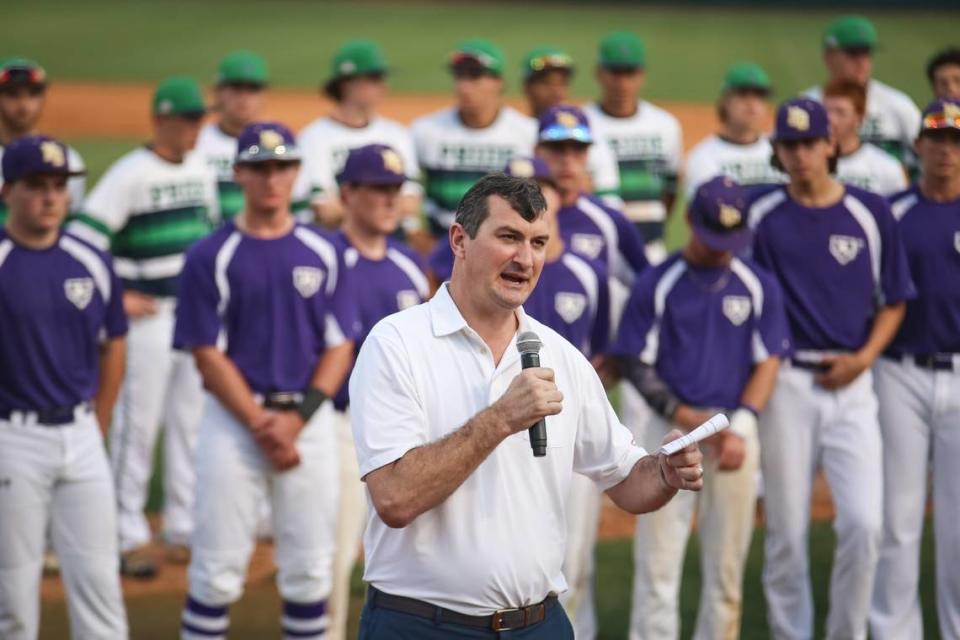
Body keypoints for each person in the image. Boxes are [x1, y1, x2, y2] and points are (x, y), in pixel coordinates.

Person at [350, 173, 704, 639]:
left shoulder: (561, 356)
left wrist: (663, 473)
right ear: (460, 239)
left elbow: (623, 479)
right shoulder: (397, 344)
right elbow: (395, 498)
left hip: (539, 625)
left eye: (538, 242)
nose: (525, 259)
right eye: (509, 237)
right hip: (421, 626)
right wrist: (500, 419)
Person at [174, 122, 356, 640]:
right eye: (259, 167)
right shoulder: (209, 255)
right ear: (238, 174)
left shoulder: (324, 251)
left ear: (296, 172)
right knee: (214, 574)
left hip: (307, 422)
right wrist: (262, 424)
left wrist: (295, 420)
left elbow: (340, 345)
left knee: (309, 573)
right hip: (235, 425)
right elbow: (206, 354)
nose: (271, 178)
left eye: (281, 167)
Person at [748, 97, 915, 640]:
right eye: (788, 145)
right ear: (777, 151)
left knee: (866, 524)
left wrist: (865, 358)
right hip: (788, 385)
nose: (799, 155)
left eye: (809, 143)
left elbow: (895, 298)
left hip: (854, 383)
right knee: (787, 534)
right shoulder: (761, 215)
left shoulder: (871, 212)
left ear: (831, 145)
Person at [613, 176, 789, 640]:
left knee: (726, 572)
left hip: (733, 431)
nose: (720, 249)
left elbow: (769, 359)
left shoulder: (757, 284)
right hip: (669, 430)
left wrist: (743, 425)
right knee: (657, 569)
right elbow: (635, 362)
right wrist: (693, 420)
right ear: (689, 219)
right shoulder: (658, 282)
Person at [68, 76, 218, 576]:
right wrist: (117, 294)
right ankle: (123, 532)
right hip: (148, 320)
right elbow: (83, 240)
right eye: (187, 118)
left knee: (189, 423)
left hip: (190, 319)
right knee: (137, 427)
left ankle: (182, 524)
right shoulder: (129, 174)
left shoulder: (200, 167)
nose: (195, 127)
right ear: (161, 120)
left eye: (200, 118)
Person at [0, 135, 128, 639]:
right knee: (11, 595)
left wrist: (99, 421)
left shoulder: (90, 258)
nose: (51, 197)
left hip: (81, 436)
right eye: (37, 186)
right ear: (8, 190)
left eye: (59, 186)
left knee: (100, 582)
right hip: (13, 439)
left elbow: (114, 342)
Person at [504, 156, 612, 640]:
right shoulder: (497, 273)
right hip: (504, 431)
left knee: (576, 559)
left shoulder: (587, 274)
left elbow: (606, 352)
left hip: (570, 431)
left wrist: (579, 405)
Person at [326, 144, 430, 640]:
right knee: (332, 556)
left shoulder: (410, 264)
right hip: (339, 428)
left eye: (396, 189)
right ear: (348, 193)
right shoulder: (328, 260)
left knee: (405, 559)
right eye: (378, 189)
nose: (391, 200)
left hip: (405, 435)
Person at [870, 98, 960, 640]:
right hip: (898, 372)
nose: (946, 150)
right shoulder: (893, 213)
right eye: (937, 139)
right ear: (918, 146)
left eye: (955, 141)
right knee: (897, 518)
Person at [411, 39, 536, 240]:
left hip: (505, 243)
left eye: (475, 76)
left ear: (499, 82)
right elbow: (407, 188)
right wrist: (414, 231)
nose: (464, 86)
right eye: (460, 76)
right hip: (443, 242)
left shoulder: (527, 133)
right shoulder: (426, 131)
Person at [298, 40, 422, 234]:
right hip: (336, 241)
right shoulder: (313, 138)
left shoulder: (397, 134)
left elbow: (410, 203)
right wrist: (382, 212)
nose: (382, 86)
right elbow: (326, 211)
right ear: (346, 83)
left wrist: (362, 212)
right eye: (374, 78)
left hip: (391, 240)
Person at [583, 32, 683, 265]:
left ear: (642, 76)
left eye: (630, 73)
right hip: (599, 250)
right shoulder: (584, 124)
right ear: (599, 74)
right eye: (615, 73)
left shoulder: (665, 125)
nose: (623, 83)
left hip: (651, 248)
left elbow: (670, 188)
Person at [805, 15, 921, 166]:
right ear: (828, 57)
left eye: (866, 53)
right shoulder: (807, 104)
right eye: (852, 53)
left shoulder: (897, 103)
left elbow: (927, 151)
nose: (862, 61)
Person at [520, 46, 621, 208]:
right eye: (546, 83)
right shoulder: (512, 133)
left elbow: (610, 200)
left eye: (562, 83)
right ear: (526, 87)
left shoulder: (588, 133)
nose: (556, 91)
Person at [0, 57, 85, 224]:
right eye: (12, 95)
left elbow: (71, 224)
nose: (23, 105)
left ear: (43, 98)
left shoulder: (66, 160)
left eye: (32, 94)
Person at [684, 62, 785, 198]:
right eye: (743, 94)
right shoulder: (702, 158)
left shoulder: (783, 152)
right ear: (725, 101)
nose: (752, 104)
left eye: (759, 96)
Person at [194, 50, 270, 221]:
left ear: (263, 96)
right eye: (236, 88)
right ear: (218, 92)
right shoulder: (196, 143)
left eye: (252, 89)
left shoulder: (277, 144)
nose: (244, 98)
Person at [823, 79, 908, 196]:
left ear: (860, 116)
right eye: (826, 111)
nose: (830, 119)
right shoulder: (810, 165)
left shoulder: (887, 167)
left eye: (840, 112)